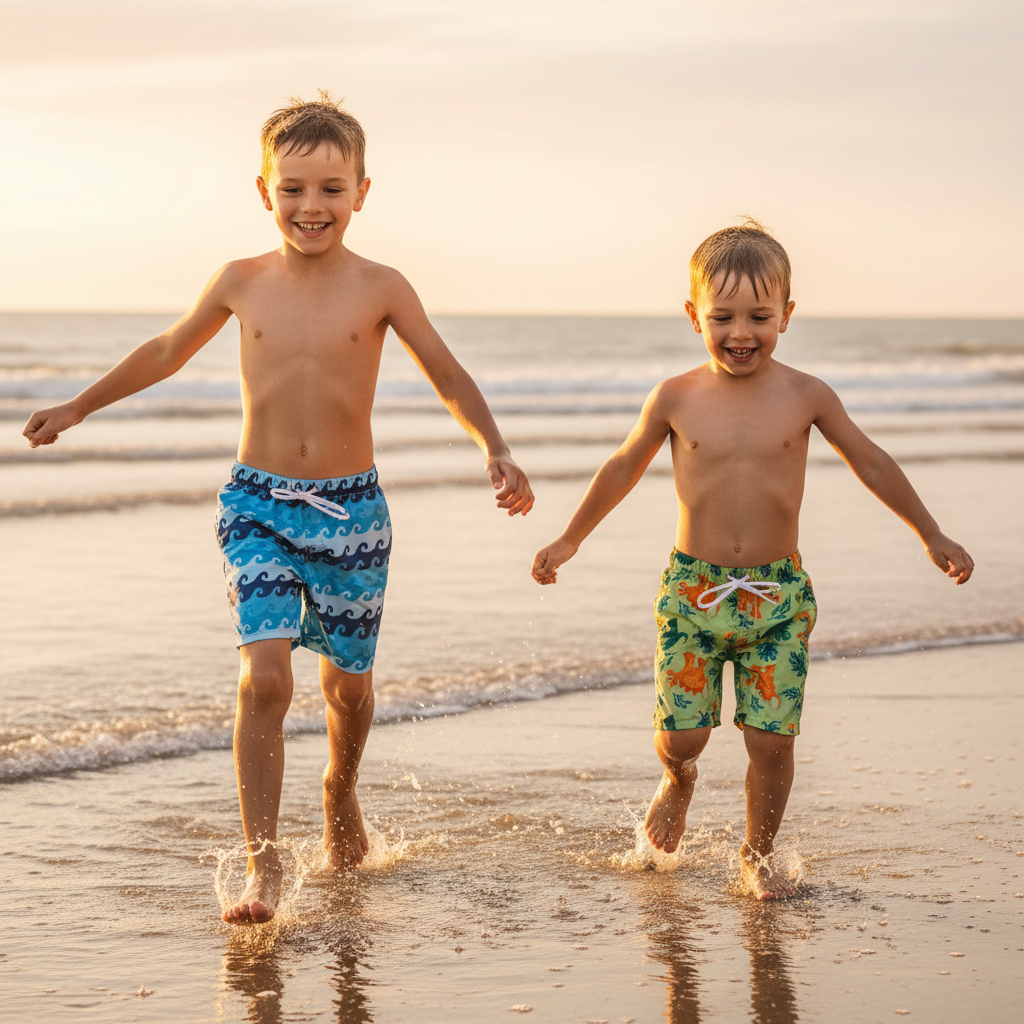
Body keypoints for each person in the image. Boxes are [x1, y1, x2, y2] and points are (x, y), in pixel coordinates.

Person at [23, 93, 534, 924]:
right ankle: (265, 865)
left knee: (350, 691)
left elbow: (447, 372)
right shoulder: (239, 280)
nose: (311, 206)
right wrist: (80, 406)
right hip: (255, 502)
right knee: (265, 678)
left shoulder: (382, 287)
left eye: (330, 188)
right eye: (293, 188)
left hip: (352, 514)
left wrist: (495, 446)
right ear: (264, 191)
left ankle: (340, 789)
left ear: (362, 191)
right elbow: (165, 350)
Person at [530, 220, 972, 900]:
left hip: (778, 599)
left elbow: (872, 462)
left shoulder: (807, 396)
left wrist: (930, 532)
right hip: (692, 595)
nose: (742, 332)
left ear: (787, 316)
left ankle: (756, 857)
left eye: (760, 316)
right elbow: (622, 466)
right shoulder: (675, 397)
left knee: (772, 743)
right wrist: (569, 539)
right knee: (684, 737)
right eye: (723, 317)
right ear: (693, 316)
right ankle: (678, 782)